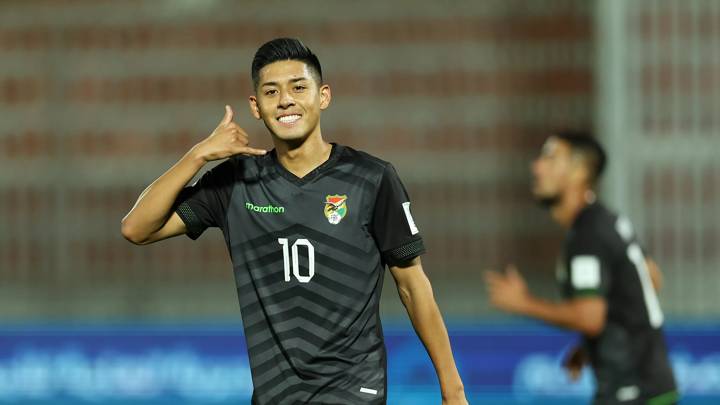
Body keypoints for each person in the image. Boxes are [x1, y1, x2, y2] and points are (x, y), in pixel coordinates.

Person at [121, 37, 467, 405]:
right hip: (276, 394)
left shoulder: (372, 179)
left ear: (324, 96)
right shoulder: (236, 182)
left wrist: (453, 390)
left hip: (353, 388)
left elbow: (414, 286)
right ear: (256, 107)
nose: (286, 100)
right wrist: (198, 155)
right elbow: (136, 228)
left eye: (298, 87)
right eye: (272, 92)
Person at [484, 131, 678, 404]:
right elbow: (651, 279)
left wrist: (523, 303)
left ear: (579, 172)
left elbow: (590, 318)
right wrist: (592, 345)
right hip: (655, 385)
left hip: (632, 391)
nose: (536, 166)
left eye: (550, 158)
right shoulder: (607, 220)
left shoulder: (588, 234)